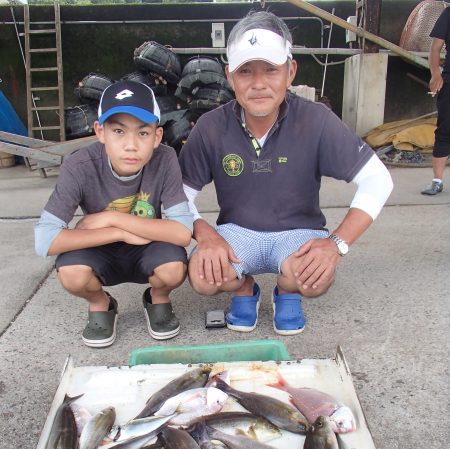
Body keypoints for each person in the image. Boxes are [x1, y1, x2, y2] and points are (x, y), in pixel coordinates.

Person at [179, 11, 393, 335]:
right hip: (238, 233)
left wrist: (335, 244)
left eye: (271, 70)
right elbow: (178, 194)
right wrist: (205, 235)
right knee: (202, 274)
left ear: (290, 71)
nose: (259, 84)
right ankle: (243, 289)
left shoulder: (317, 120)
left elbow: (378, 179)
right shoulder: (210, 126)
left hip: (299, 232)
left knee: (313, 278)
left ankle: (287, 292)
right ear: (230, 76)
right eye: (245, 71)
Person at [35, 81, 193, 347]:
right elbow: (45, 240)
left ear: (157, 136)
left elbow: (182, 231)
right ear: (100, 131)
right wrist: (118, 233)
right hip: (100, 246)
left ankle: (158, 297)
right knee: (72, 273)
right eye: (118, 131)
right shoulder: (79, 165)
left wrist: (113, 218)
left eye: (142, 133)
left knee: (174, 269)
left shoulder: (165, 159)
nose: (130, 145)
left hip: (146, 246)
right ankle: (101, 303)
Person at [422, 6, 450, 196]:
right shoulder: (448, 13)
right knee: (445, 129)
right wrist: (435, 74)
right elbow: (435, 47)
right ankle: (437, 181)